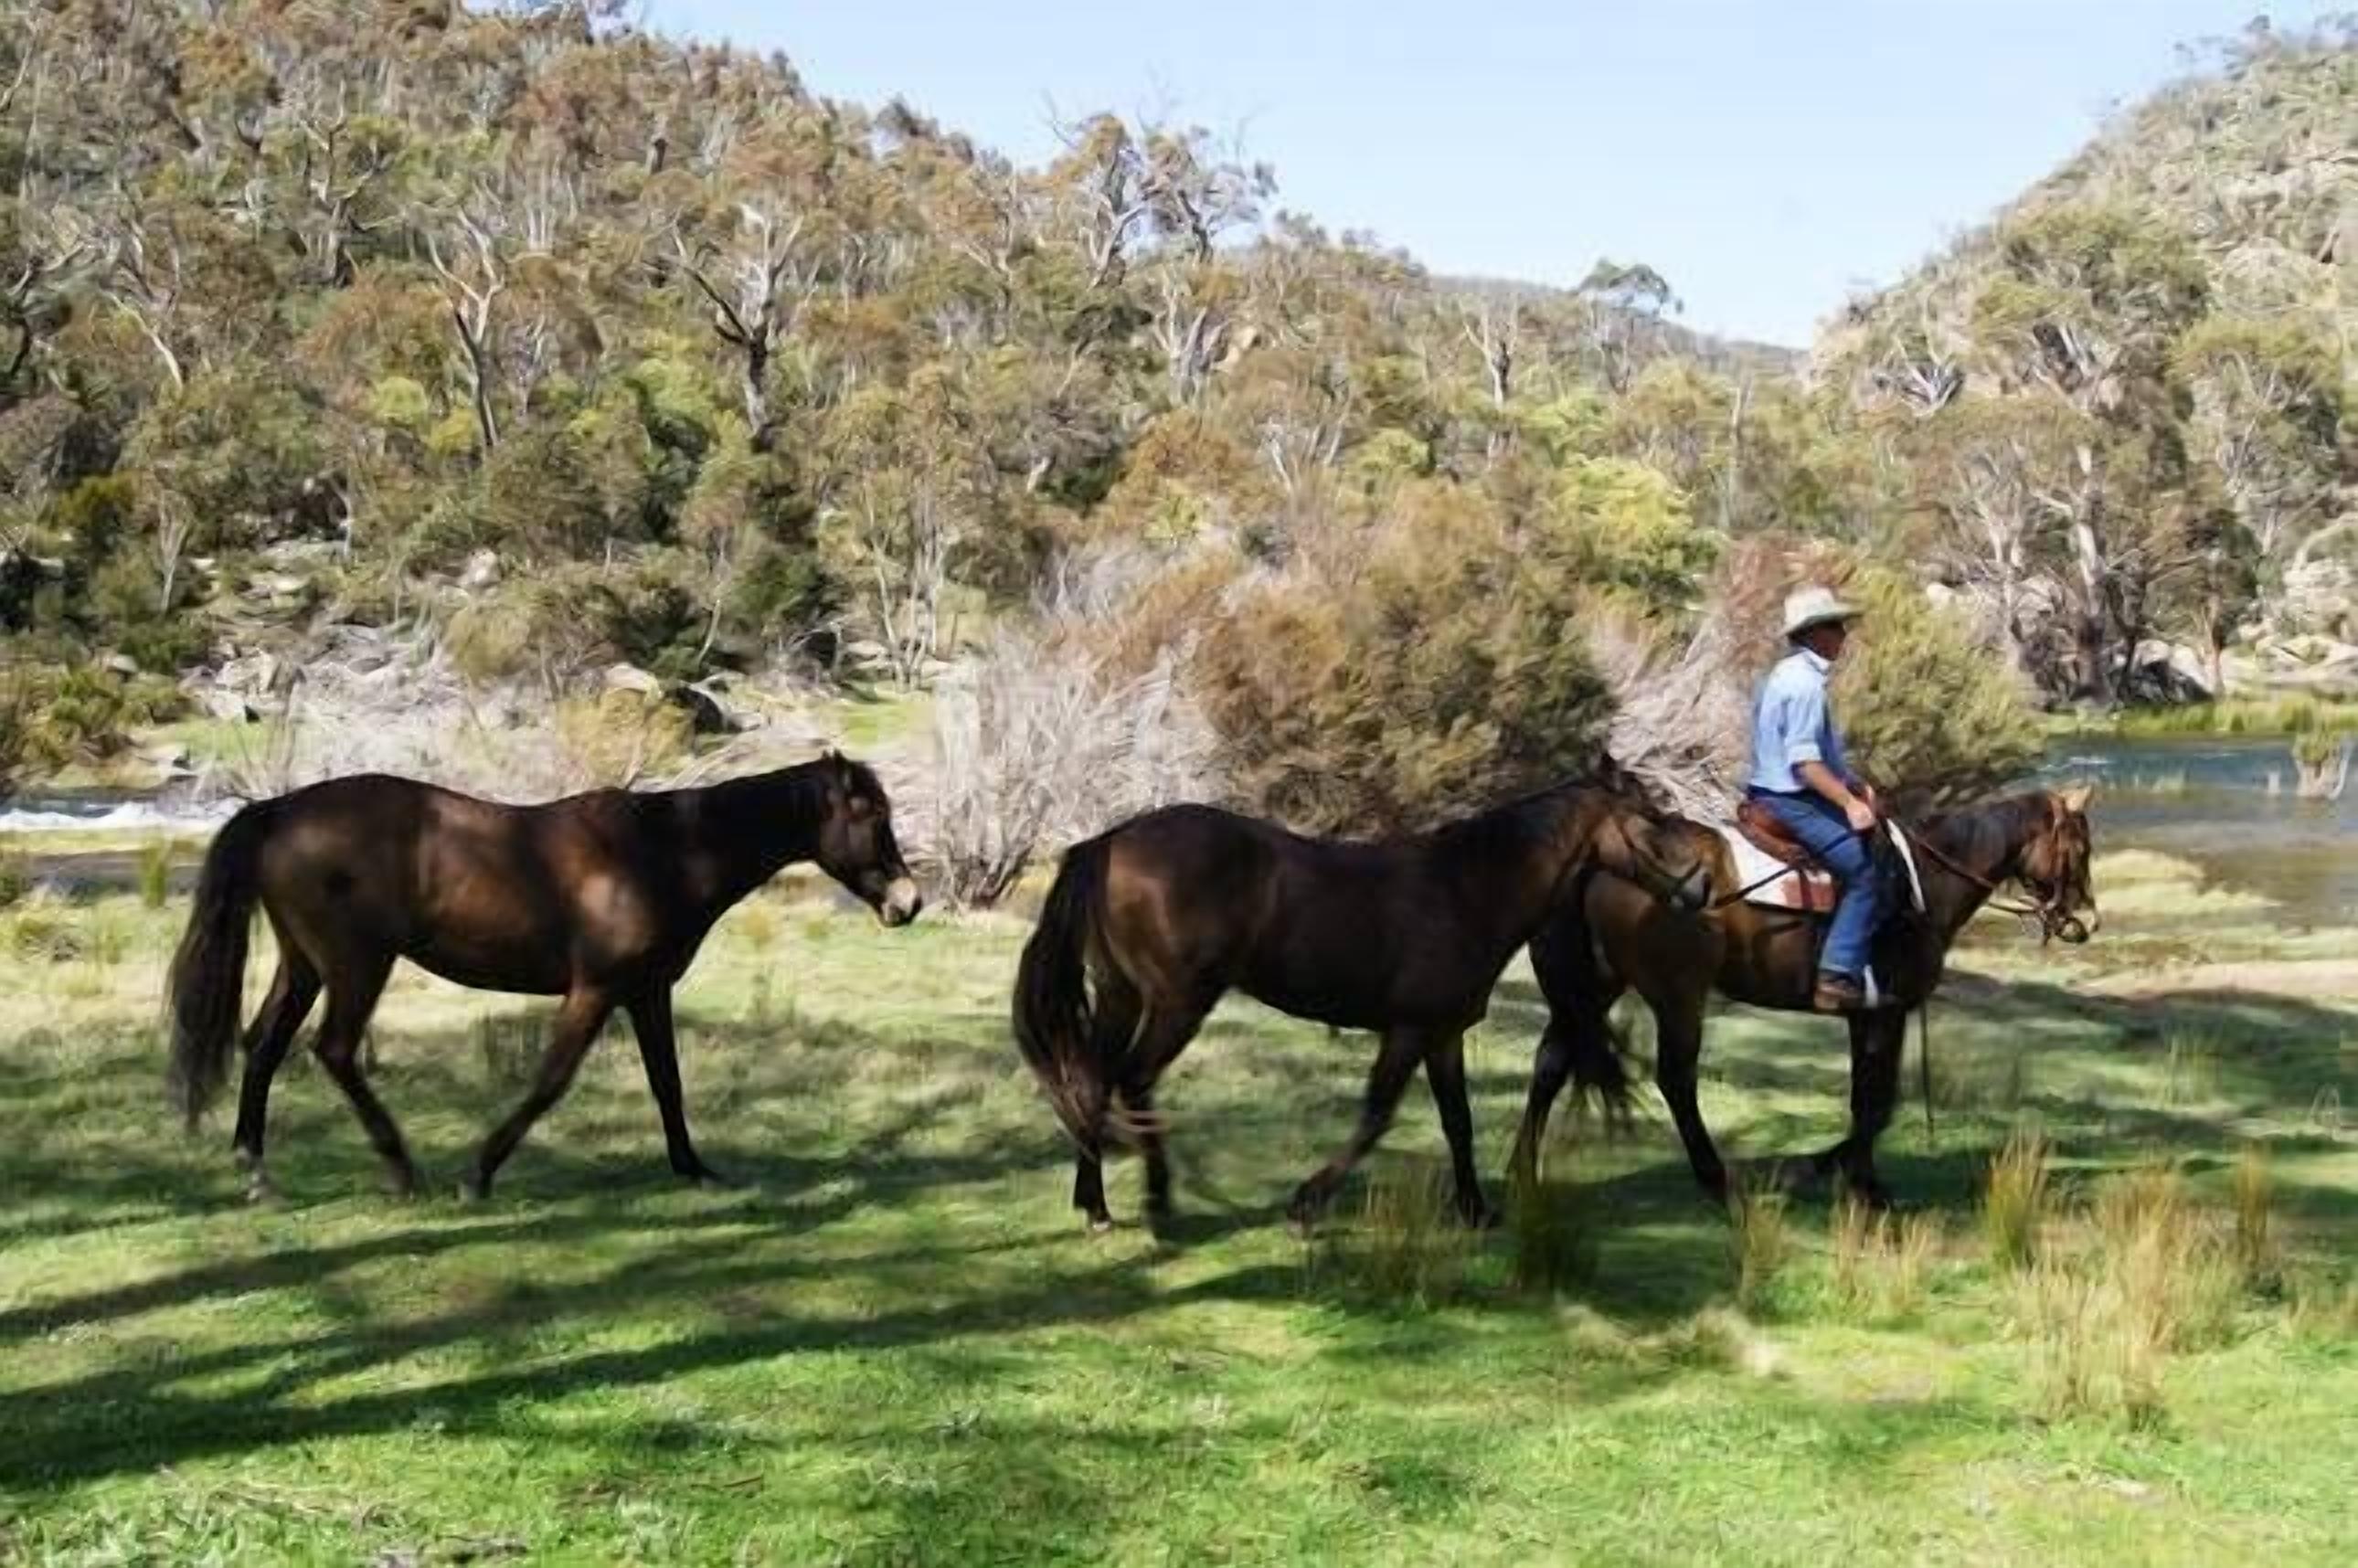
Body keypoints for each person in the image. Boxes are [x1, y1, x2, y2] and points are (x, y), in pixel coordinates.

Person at [1746, 585, 1891, 1012]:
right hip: (1789, 799)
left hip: (1771, 791)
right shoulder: (1806, 684)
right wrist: (1850, 805)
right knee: (1866, 871)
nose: (1843, 634)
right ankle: (1837, 971)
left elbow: (1818, 759)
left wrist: (1854, 784)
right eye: (1835, 626)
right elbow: (1804, 765)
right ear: (1813, 633)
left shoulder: (1784, 674)